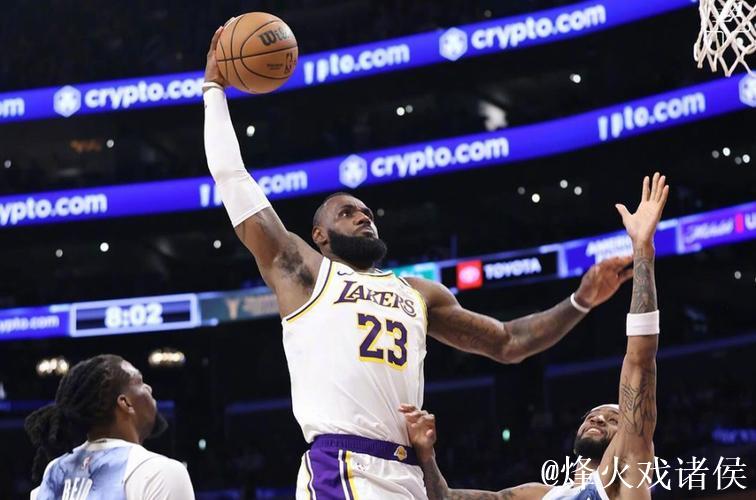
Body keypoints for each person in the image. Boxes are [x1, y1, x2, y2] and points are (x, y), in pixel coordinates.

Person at [202, 24, 634, 499]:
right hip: (343, 466)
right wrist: (213, 90)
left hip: (407, 472)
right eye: (347, 213)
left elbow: (509, 342)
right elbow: (233, 178)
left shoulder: (418, 294)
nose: (363, 217)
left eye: (368, 212)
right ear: (319, 236)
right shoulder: (305, 274)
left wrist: (580, 300)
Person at [402, 173, 668, 500]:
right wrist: (426, 454)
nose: (598, 418)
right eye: (592, 416)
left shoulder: (626, 470)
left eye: (613, 419)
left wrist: (643, 251)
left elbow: (640, 360)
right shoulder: (535, 494)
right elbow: (444, 498)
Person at [25, 354, 195, 500]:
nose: (149, 388)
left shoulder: (54, 472)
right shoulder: (160, 472)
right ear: (125, 403)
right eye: (140, 382)